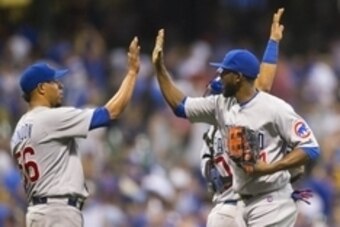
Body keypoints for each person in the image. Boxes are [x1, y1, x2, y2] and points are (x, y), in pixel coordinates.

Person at [152, 21, 320, 227]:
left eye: (224, 74)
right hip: (236, 200)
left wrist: (271, 168)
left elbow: (310, 147)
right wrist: (159, 68)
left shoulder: (273, 107)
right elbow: (181, 107)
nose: (220, 78)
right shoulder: (220, 107)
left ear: (238, 78)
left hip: (271, 198)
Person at [10, 37, 140, 227]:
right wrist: (131, 73)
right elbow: (111, 112)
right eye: (54, 82)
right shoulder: (50, 118)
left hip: (37, 213)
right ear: (41, 89)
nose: (60, 86)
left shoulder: (19, 129)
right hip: (59, 212)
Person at [200, 8, 284, 227]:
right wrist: (273, 43)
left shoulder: (209, 134)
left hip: (225, 207)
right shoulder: (240, 118)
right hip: (244, 204)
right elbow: (263, 86)